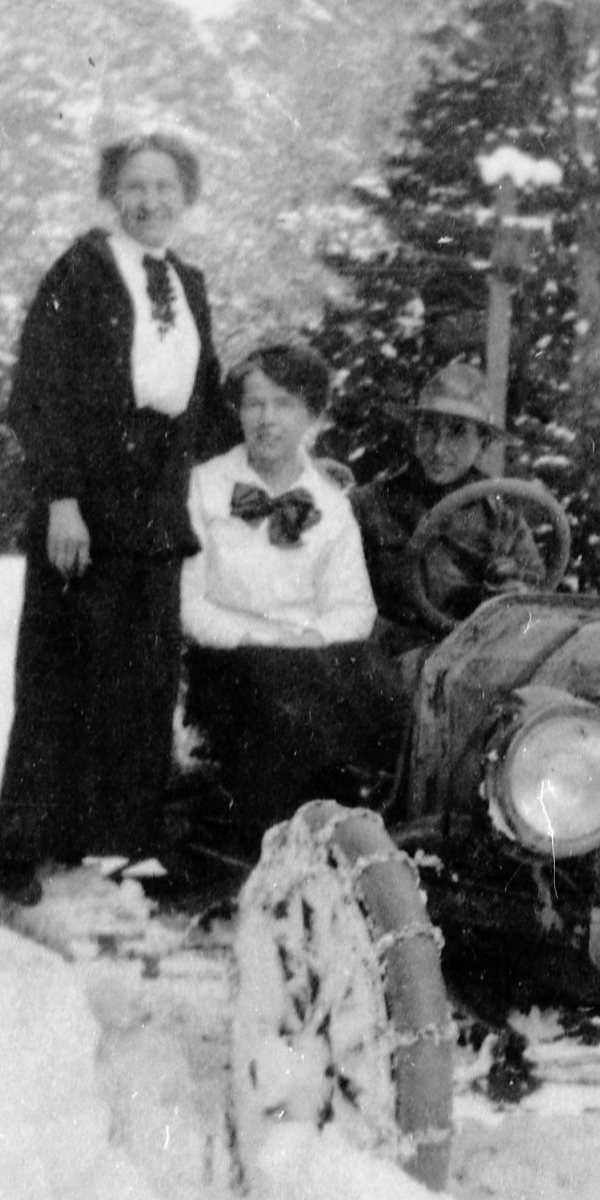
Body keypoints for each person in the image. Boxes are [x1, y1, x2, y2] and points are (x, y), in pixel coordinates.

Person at [0, 130, 222, 898]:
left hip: (156, 520)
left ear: (185, 196)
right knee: (61, 678)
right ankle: (25, 851)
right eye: (135, 186)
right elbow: (40, 391)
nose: (149, 200)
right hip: (84, 512)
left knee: (141, 688)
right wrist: (61, 500)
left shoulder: (189, 283)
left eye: (164, 187)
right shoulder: (83, 271)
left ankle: (121, 848)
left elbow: (208, 407)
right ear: (112, 195)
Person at [180, 341, 405, 839]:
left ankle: (357, 835)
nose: (267, 419)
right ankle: (268, 846)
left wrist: (307, 638)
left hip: (312, 657)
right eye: (254, 403)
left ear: (312, 417)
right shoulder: (205, 487)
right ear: (238, 411)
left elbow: (353, 608)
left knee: (385, 690)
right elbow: (189, 603)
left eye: (284, 405)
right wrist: (257, 639)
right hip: (228, 660)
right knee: (277, 698)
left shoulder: (329, 503)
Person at [350, 359, 544, 655]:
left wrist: (515, 597)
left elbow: (536, 602)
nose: (439, 448)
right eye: (428, 428)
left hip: (474, 662)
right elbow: (339, 604)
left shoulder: (502, 515)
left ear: (483, 443)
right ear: (413, 432)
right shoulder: (366, 505)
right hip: (385, 670)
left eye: (457, 432)